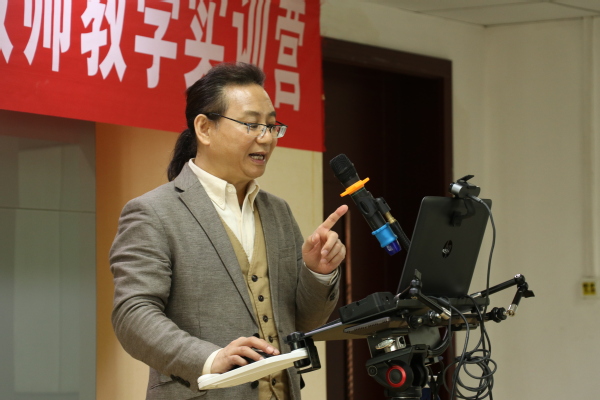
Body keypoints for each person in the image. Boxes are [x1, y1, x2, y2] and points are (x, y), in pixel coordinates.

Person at [110, 62, 348, 400]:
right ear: (205, 128)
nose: (266, 138)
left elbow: (304, 321)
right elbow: (132, 315)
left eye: (271, 125)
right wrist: (208, 359)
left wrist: (317, 272)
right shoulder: (153, 212)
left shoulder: (278, 211)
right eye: (251, 124)